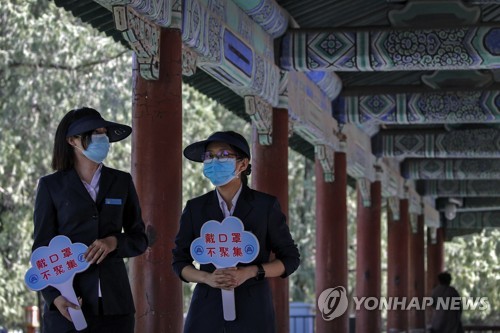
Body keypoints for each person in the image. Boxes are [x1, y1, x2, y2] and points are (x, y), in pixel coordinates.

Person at [32, 107, 148, 333]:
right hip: (69, 304)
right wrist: (54, 298)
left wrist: (114, 242)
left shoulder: (122, 181)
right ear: (73, 141)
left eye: (104, 132)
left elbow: (140, 239)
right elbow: (41, 250)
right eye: (94, 133)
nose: (102, 138)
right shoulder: (51, 186)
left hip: (116, 307)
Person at [172, 131, 300, 333]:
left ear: (242, 164)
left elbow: (291, 259)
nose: (214, 161)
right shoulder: (195, 208)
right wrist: (207, 278)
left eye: (223, 154)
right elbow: (179, 262)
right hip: (206, 311)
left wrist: (250, 272)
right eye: (209, 156)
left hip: (253, 310)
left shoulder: (264, 206)